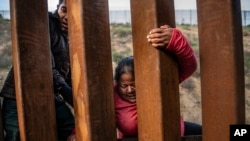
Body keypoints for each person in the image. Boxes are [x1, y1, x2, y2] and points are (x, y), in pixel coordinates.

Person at [66, 25, 201, 140]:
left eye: (134, 85)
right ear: (117, 82)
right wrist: (76, 134)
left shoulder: (154, 85)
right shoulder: (111, 95)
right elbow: (92, 114)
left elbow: (190, 66)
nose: (130, 90)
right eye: (124, 86)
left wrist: (175, 39)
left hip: (174, 135)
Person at [0, 0, 75, 140]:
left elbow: (68, 73)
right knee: (15, 134)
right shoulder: (47, 24)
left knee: (69, 128)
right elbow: (46, 64)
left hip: (49, 96)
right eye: (64, 10)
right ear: (58, 8)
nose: (67, 16)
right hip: (18, 95)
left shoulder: (71, 38)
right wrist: (66, 90)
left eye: (72, 13)